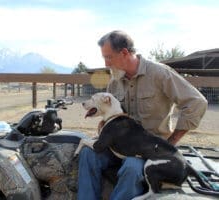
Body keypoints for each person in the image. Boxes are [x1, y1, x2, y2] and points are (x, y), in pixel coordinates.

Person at [77, 30, 208, 200]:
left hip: (148, 150)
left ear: (124, 53)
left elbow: (196, 102)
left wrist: (171, 143)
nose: (106, 63)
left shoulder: (160, 74)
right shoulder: (114, 82)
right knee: (88, 154)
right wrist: (103, 126)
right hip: (117, 145)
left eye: (109, 57)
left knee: (131, 167)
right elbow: (106, 114)